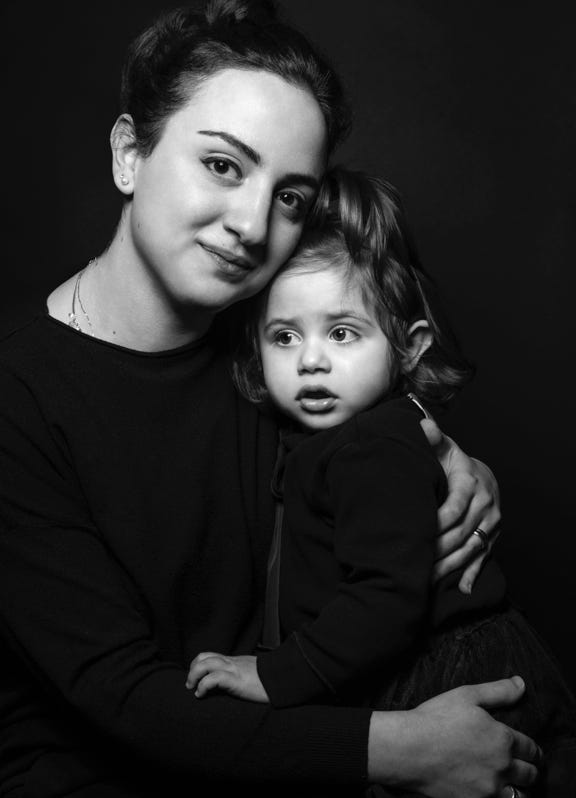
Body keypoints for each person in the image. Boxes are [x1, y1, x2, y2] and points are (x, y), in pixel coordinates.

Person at [0, 2, 540, 797]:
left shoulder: (275, 350)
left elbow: (370, 449)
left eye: (290, 197)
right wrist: (394, 750)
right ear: (129, 154)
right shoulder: (19, 396)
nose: (252, 224)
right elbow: (122, 697)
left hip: (284, 751)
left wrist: (447, 458)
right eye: (223, 165)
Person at [186, 166, 576, 793]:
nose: (311, 360)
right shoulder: (328, 438)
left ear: (408, 346)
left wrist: (273, 675)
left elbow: (386, 598)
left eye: (343, 333)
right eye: (284, 336)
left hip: (452, 667)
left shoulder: (371, 447)